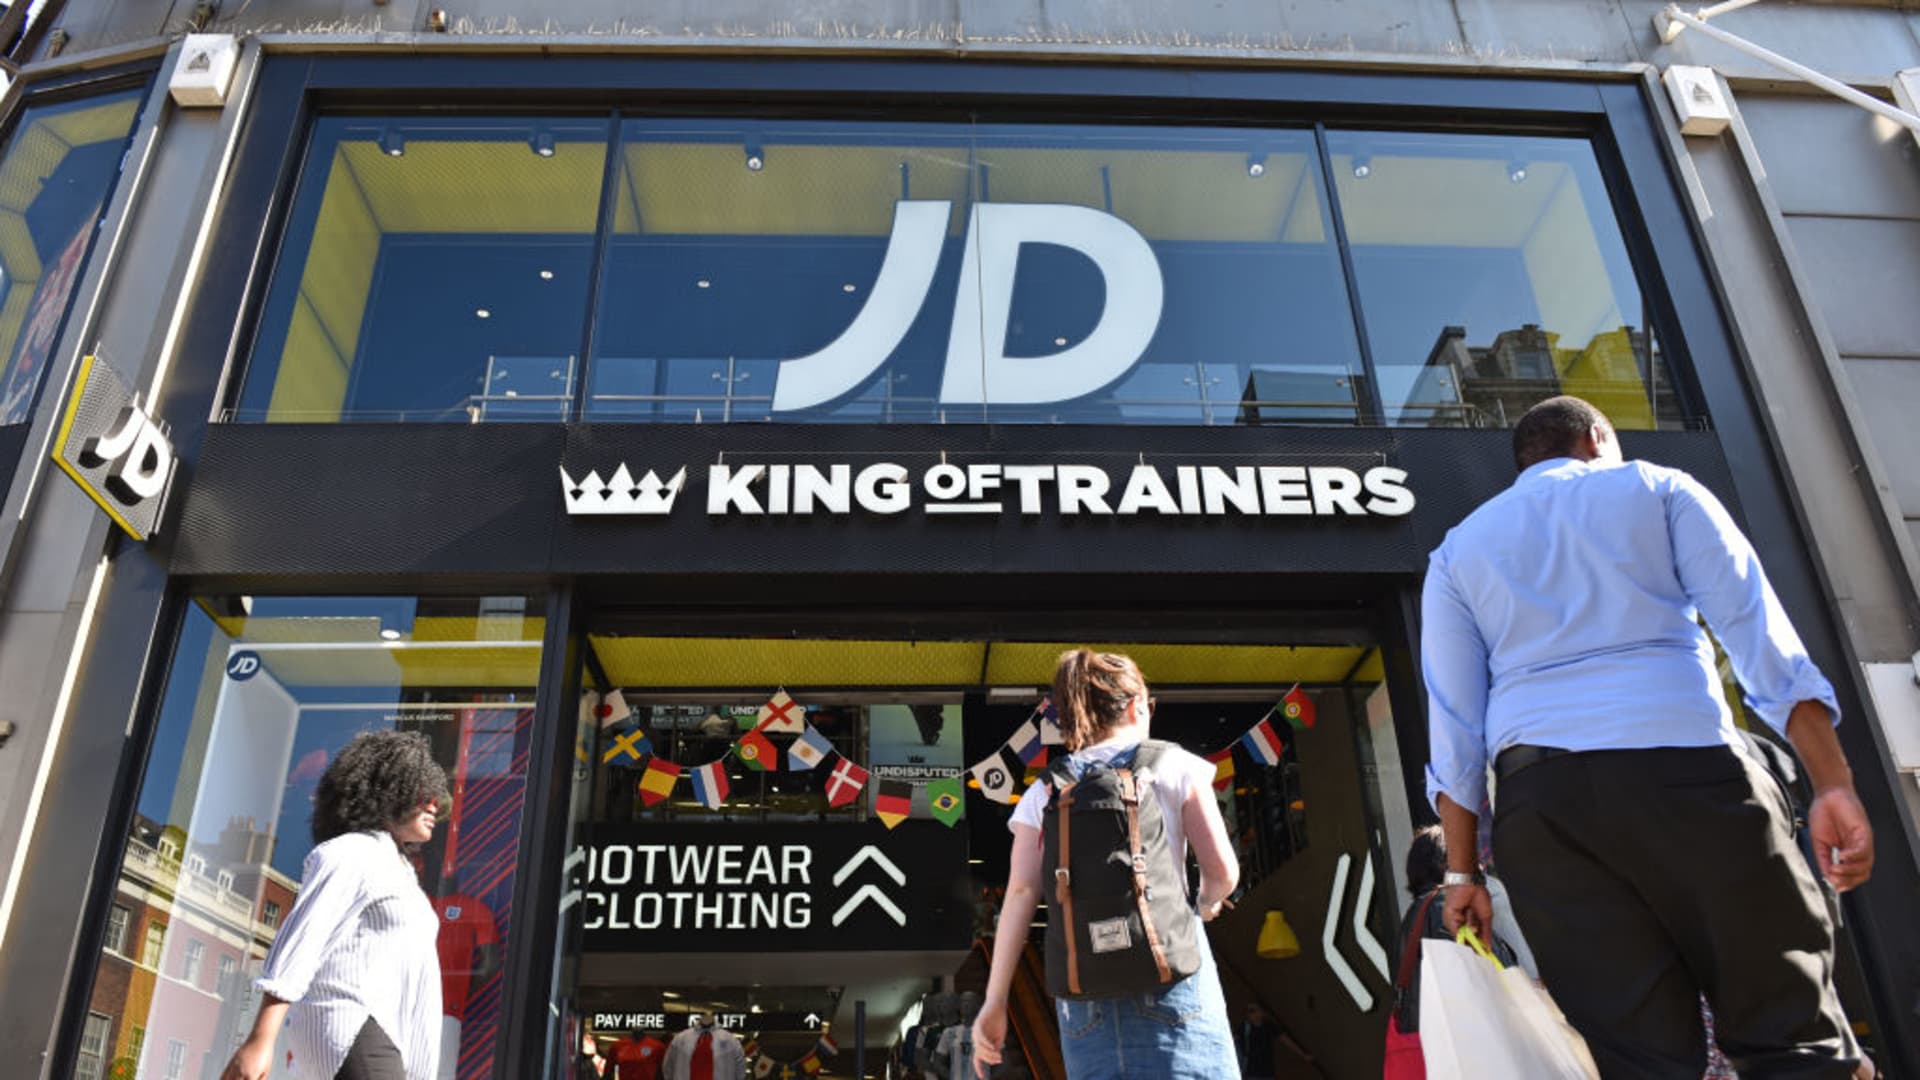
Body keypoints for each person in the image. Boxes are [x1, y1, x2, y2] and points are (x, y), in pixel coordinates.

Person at [1421, 395, 1874, 1077]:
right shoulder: (1660, 488)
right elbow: (1762, 643)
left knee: (1638, 1062)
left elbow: (1453, 729)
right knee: (1791, 1037)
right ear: (1598, 437)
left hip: (1545, 809)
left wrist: (1462, 872)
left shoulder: (1457, 552)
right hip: (1692, 774)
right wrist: (1833, 781)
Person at [972, 649, 1239, 1079]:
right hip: (1173, 976)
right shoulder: (1175, 765)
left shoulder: (1044, 792)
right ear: (1135, 704)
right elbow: (1223, 873)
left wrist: (995, 1001)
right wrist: (1206, 905)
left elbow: (1021, 893)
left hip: (1084, 994)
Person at [222, 730, 451, 1080]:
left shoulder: (399, 869)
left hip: (383, 1032)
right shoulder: (352, 852)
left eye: (435, 794)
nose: (434, 803)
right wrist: (261, 1040)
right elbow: (302, 937)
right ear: (387, 792)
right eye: (422, 793)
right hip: (350, 1022)